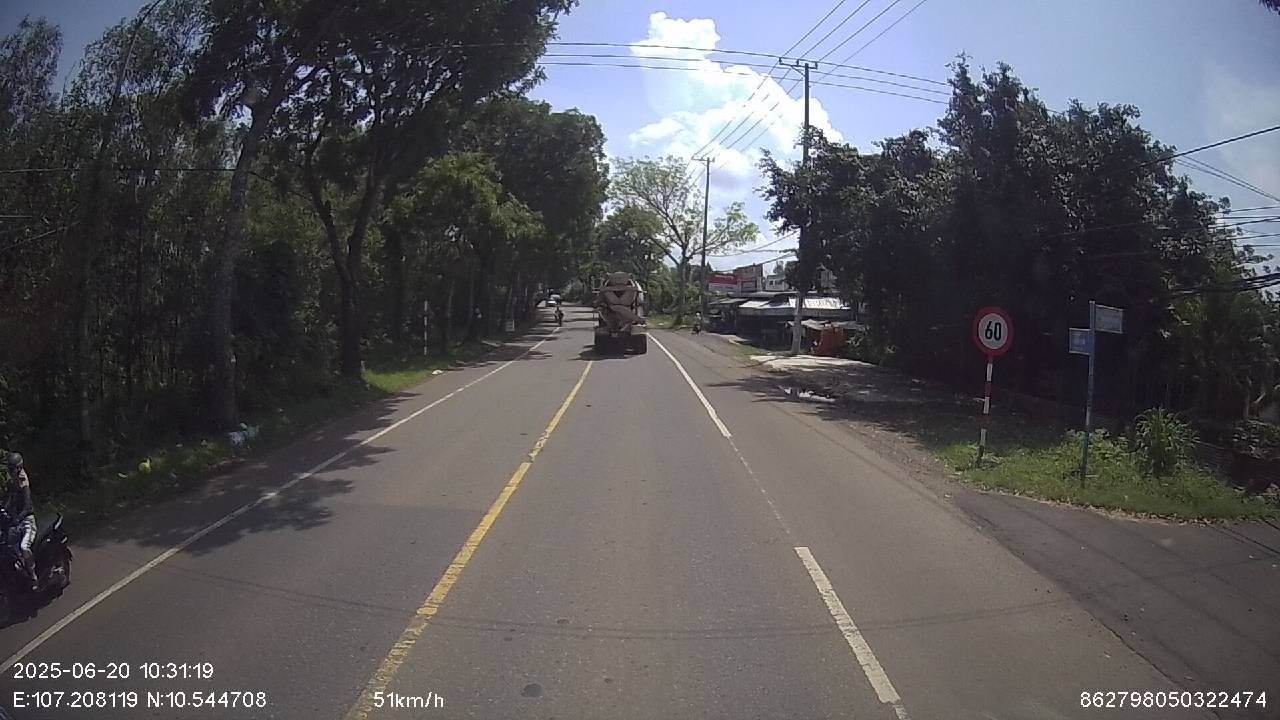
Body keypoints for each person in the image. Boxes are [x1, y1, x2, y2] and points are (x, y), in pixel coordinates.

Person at [2, 453, 37, 590]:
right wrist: (3, 509)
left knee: (24, 547)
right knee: (10, 547)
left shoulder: (23, 483)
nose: (10, 471)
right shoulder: (13, 481)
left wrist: (17, 519)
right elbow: (9, 499)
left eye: (12, 468)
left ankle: (33, 576)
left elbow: (27, 507)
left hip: (27, 521)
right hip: (17, 523)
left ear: (18, 468)